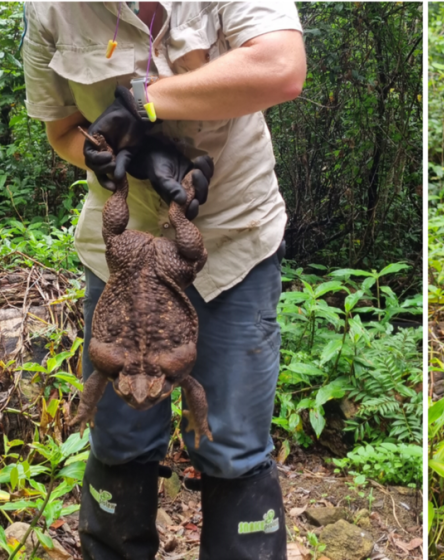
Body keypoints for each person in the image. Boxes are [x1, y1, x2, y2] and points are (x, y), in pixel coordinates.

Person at [22, 2, 306, 558]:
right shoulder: (50, 9)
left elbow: (281, 66)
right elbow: (62, 130)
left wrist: (142, 106)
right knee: (120, 440)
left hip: (231, 239)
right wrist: (105, 156)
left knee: (232, 443)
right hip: (122, 257)